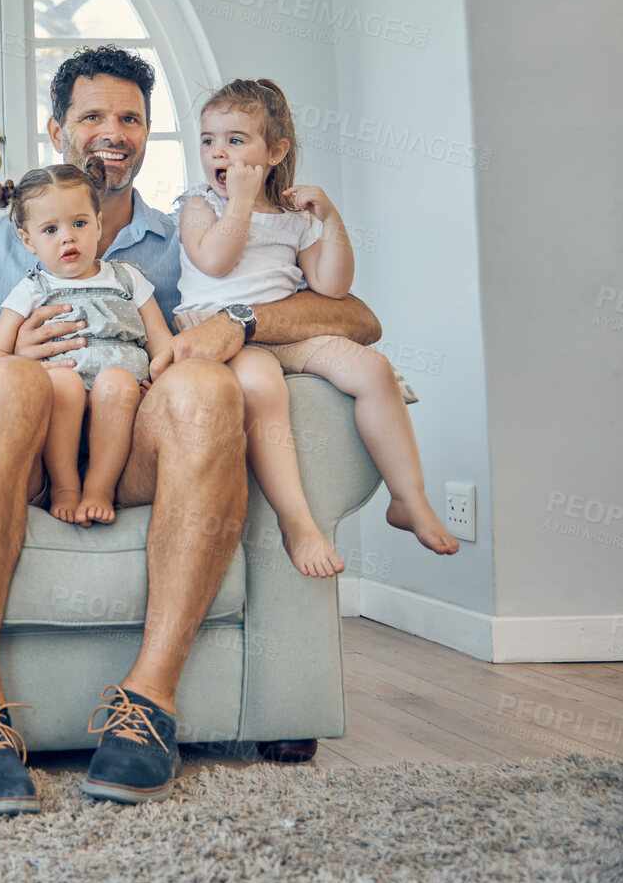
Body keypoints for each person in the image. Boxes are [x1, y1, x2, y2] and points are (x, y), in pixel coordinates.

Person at [0, 46, 385, 809]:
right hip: (27, 446)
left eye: (130, 117)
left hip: (136, 444)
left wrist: (237, 320)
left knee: (203, 386)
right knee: (11, 376)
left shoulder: (194, 229)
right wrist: (4, 356)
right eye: (92, 115)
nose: (112, 132)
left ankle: (147, 700)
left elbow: (354, 316)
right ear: (56, 130)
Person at [174, 78, 458, 577]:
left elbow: (331, 287)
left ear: (275, 151)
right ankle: (297, 523)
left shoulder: (292, 216)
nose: (219, 152)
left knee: (373, 370)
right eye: (208, 140)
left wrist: (330, 220)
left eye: (236, 140)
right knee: (262, 384)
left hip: (286, 327)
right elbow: (215, 261)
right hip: (219, 330)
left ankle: (408, 498)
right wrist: (239, 201)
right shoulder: (201, 205)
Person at [0, 159, 174, 526]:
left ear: (99, 224)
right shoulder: (33, 288)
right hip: (60, 402)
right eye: (50, 229)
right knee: (62, 381)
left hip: (123, 405)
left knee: (117, 381)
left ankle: (99, 488)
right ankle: (66, 486)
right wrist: (24, 367)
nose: (67, 237)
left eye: (80, 223)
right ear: (28, 240)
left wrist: (162, 385)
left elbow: (161, 342)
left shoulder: (128, 278)